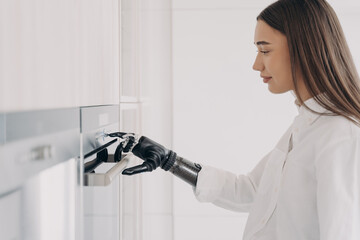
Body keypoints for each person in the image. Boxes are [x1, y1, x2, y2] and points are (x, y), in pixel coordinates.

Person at [114, 0, 360, 239]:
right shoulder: (305, 125)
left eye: (265, 50)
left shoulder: (340, 135)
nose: (256, 64)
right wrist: (171, 160)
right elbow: (251, 190)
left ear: (304, 48)